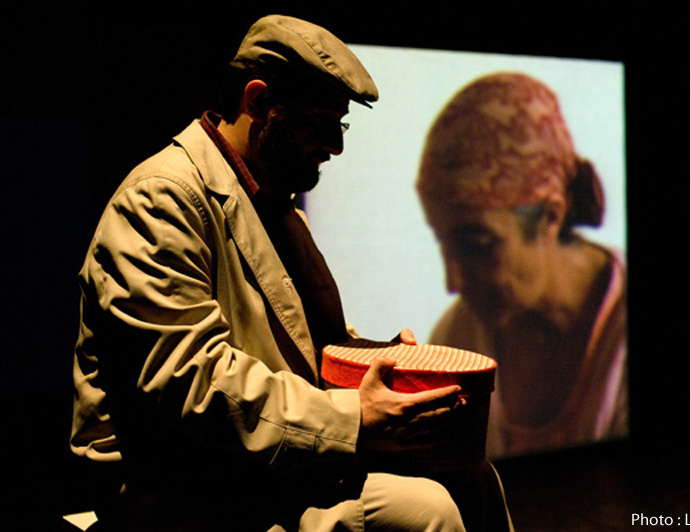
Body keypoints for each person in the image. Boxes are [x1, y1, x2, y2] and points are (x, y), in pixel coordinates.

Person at [71, 15, 512, 532]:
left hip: (256, 465)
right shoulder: (161, 200)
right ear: (258, 101)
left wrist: (381, 364)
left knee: (473, 477)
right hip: (175, 482)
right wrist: (355, 417)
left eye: (340, 125)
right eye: (321, 122)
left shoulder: (273, 204)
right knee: (425, 511)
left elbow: (310, 345)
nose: (335, 146)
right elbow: (192, 382)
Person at [416, 72, 627, 458]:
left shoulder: (622, 338)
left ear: (551, 216)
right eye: (442, 242)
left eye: (477, 244)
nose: (453, 282)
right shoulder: (460, 335)